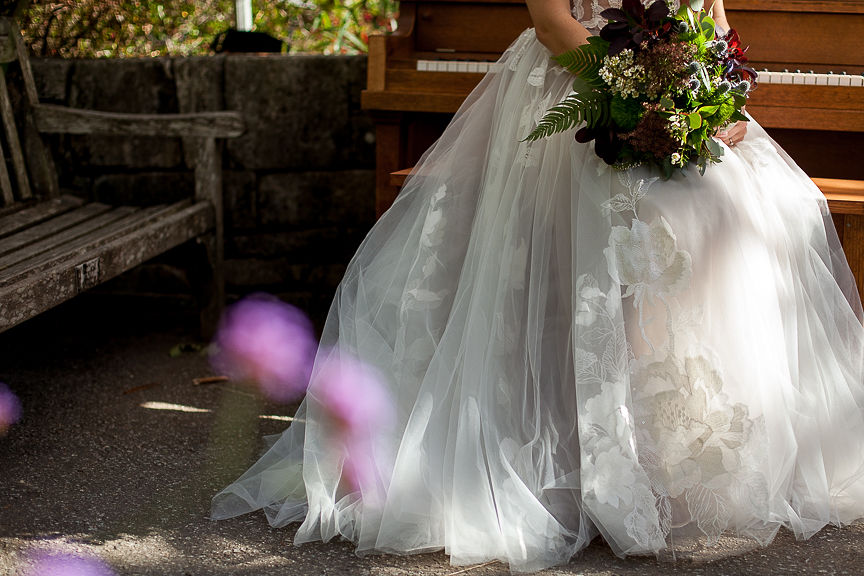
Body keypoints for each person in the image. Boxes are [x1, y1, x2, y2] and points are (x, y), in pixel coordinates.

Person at [212, 0, 864, 572]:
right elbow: (553, 24)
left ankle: (681, 455)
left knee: (767, 207)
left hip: (674, 95)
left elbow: (714, 19)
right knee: (632, 214)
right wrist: (640, 102)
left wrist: (717, 103)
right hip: (577, 93)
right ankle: (596, 458)